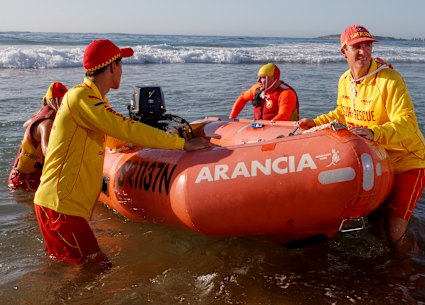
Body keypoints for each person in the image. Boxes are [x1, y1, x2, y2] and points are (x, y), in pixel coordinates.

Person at [33, 39, 211, 268]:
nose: (122, 70)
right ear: (112, 67)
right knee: (95, 271)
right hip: (61, 208)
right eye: (121, 64)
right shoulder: (81, 97)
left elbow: (113, 134)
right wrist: (180, 145)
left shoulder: (92, 100)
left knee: (72, 270)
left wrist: (128, 145)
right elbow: (126, 127)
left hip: (57, 206)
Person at [297, 24, 425, 250]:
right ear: (344, 52)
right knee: (375, 225)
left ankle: (410, 269)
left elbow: (407, 122)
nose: (363, 51)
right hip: (379, 162)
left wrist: (374, 132)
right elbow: (342, 112)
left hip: (408, 162)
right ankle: (387, 271)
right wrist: (316, 122)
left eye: (367, 45)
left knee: (394, 230)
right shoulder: (344, 81)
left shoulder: (389, 80)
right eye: (356, 46)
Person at [8, 82, 68, 191]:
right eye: (62, 101)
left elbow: (25, 125)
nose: (65, 105)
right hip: (27, 181)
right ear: (53, 101)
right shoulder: (47, 123)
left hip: (17, 177)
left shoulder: (39, 115)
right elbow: (48, 152)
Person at [229, 63, 299, 121]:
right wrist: (232, 118)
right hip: (260, 129)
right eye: (259, 77)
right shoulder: (257, 89)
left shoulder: (286, 94)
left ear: (274, 78)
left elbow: (283, 116)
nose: (258, 81)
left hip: (283, 132)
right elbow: (242, 98)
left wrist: (266, 129)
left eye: (262, 77)